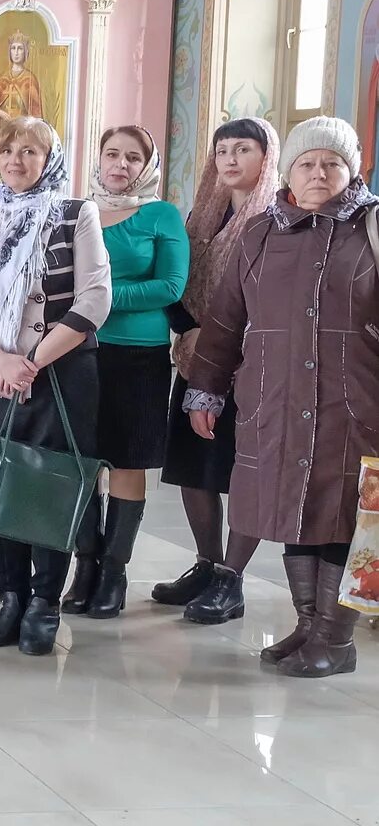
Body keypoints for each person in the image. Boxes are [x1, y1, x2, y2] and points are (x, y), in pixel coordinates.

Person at [185, 116, 376, 677]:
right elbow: (224, 320)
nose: (319, 173)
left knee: (342, 514)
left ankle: (336, 641)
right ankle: (309, 625)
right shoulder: (261, 232)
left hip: (356, 405)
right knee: (291, 510)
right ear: (289, 170)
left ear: (352, 168)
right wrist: (206, 389)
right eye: (307, 163)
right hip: (274, 399)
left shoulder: (372, 226)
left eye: (332, 163)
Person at [0, 116, 111, 656]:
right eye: (8, 151)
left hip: (58, 370)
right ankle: (11, 597)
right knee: (0, 482)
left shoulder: (75, 213)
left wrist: (32, 360)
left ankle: (45, 601)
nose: (16, 160)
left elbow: (95, 298)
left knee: (47, 485)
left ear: (50, 159)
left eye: (30, 152)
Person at [154, 116, 281, 622]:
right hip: (193, 357)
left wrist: (227, 341)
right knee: (193, 469)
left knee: (241, 471)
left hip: (249, 366)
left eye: (242, 149)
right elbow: (174, 281)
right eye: (222, 150)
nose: (229, 160)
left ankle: (233, 578)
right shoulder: (199, 217)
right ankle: (207, 564)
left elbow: (272, 302)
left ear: (265, 157)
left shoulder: (275, 219)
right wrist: (189, 329)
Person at [63, 126, 186, 619]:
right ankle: (85, 564)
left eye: (132, 157)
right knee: (82, 460)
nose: (120, 164)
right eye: (111, 154)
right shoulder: (77, 210)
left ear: (147, 164)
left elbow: (171, 286)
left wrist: (102, 299)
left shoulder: (161, 214)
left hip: (138, 355)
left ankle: (114, 571)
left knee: (126, 462)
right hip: (79, 349)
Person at [0, 32, 46, 145]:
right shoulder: (3, 79)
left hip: (22, 132)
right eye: (13, 48)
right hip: (3, 130)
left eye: (20, 48)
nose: (16, 52)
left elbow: (36, 113)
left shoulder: (29, 80)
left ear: (26, 52)